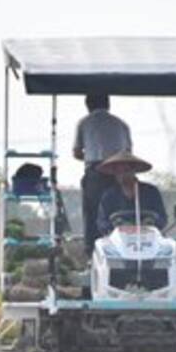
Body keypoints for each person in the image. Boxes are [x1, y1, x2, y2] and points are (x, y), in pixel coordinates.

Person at [73, 94, 132, 254]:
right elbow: (129, 153)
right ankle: (122, 249)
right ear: (108, 105)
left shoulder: (85, 123)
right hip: (120, 171)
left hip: (96, 171)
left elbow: (77, 152)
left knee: (93, 212)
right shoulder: (121, 124)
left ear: (88, 106)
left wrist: (92, 153)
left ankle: (92, 252)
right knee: (118, 211)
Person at [95, 151, 167, 236]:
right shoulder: (109, 196)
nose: (122, 175)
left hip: (148, 238)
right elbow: (102, 222)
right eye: (118, 171)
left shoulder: (151, 192)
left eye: (126, 170)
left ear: (134, 171)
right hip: (119, 241)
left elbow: (162, 218)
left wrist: (150, 223)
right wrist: (117, 227)